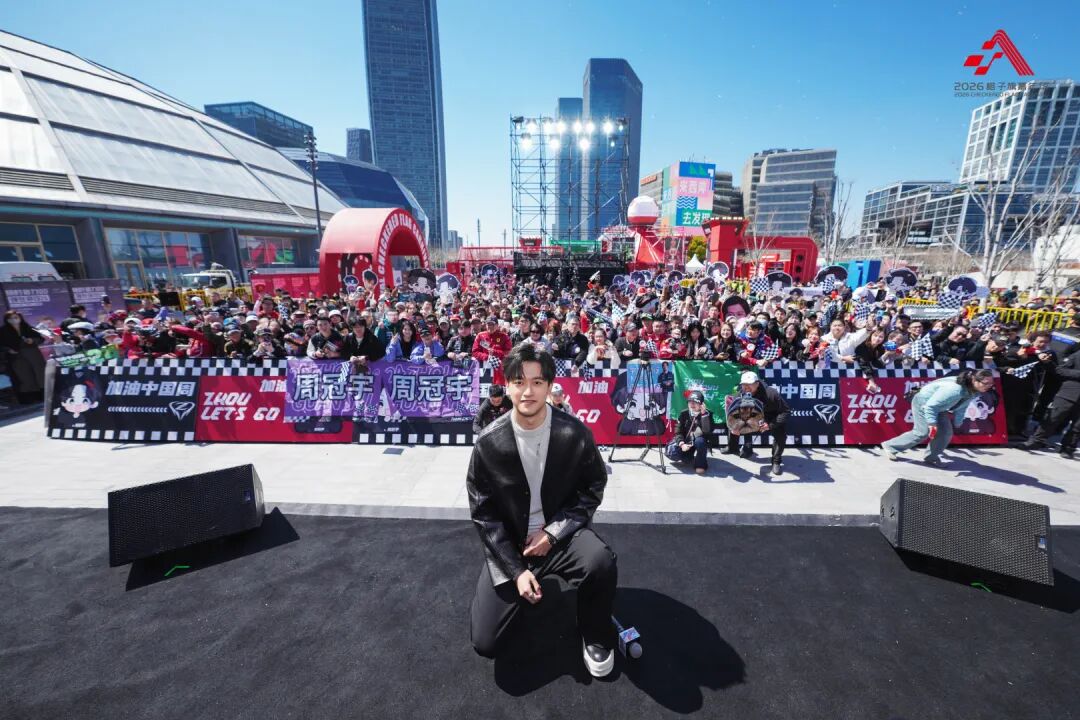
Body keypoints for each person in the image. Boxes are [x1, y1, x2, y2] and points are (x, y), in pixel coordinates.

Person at [467, 344, 617, 677]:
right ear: (507, 386)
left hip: (560, 534)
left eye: (537, 382)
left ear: (550, 386)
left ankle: (595, 630)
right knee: (485, 642)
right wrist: (515, 570)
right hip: (512, 544)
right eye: (519, 382)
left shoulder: (575, 433)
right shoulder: (488, 443)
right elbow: (484, 515)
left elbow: (593, 486)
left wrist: (553, 533)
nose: (528, 391)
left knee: (601, 562)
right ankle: (524, 583)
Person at [881, 369, 996, 465]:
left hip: (939, 407)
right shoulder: (955, 389)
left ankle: (931, 457)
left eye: (991, 383)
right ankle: (890, 446)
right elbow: (930, 406)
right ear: (974, 380)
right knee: (922, 433)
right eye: (986, 383)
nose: (989, 386)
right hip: (924, 403)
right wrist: (932, 423)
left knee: (946, 433)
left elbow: (962, 407)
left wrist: (958, 422)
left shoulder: (973, 390)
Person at [722, 370, 790, 476]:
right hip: (751, 417)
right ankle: (733, 447)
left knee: (781, 434)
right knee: (734, 424)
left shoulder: (771, 393)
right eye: (744, 384)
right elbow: (731, 414)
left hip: (770, 417)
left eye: (749, 384)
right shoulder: (739, 395)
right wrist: (734, 427)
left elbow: (786, 412)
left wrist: (770, 425)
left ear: (757, 384)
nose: (746, 387)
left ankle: (776, 461)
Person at [1023, 347, 1080, 458]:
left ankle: (1068, 448)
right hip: (1068, 394)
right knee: (1052, 418)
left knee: (1077, 427)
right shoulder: (1077, 355)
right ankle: (1036, 441)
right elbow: (1060, 370)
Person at [0, 310, 46, 403]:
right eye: (10, 318)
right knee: (24, 377)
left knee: (39, 375)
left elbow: (41, 338)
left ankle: (43, 395)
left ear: (20, 318)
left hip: (33, 355)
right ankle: (29, 398)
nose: (13, 320)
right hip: (17, 357)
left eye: (15, 317)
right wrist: (8, 350)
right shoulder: (3, 330)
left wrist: (32, 340)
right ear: (6, 320)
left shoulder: (27, 327)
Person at [673, 390, 713, 474]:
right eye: (690, 402)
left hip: (699, 441)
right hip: (687, 441)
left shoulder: (708, 414)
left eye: (695, 402)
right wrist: (682, 444)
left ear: (701, 404)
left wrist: (703, 415)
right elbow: (678, 431)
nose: (692, 404)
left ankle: (700, 464)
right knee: (683, 458)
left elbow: (707, 431)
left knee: (700, 441)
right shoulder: (684, 413)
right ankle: (689, 455)